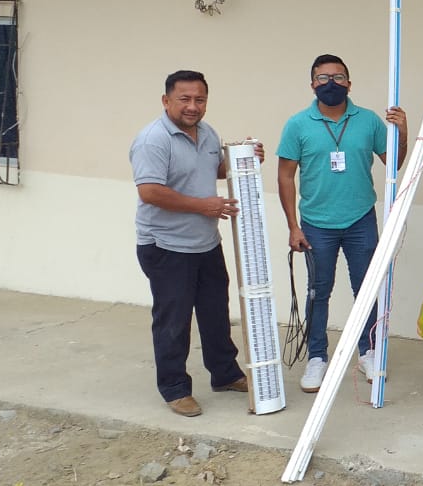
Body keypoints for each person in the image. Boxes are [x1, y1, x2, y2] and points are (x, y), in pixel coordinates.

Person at [276, 54, 407, 393]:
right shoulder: (297, 125)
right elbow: (285, 176)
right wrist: (293, 226)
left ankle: (369, 352)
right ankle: (317, 357)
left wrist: (402, 131)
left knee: (366, 288)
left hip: (360, 219)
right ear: (312, 84)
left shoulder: (369, 121)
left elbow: (394, 164)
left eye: (337, 77)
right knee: (318, 291)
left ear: (349, 83)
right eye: (323, 78)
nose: (330, 83)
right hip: (316, 223)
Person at [130, 70, 257, 417]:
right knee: (174, 320)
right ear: (166, 100)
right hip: (166, 246)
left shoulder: (208, 132)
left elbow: (215, 168)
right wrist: (204, 206)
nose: (192, 106)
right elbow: (150, 191)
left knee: (216, 312)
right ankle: (175, 389)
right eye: (184, 99)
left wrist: (245, 156)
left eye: (199, 99)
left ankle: (225, 374)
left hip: (205, 242)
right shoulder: (153, 140)